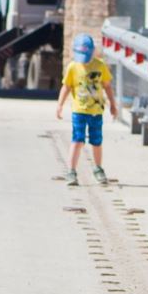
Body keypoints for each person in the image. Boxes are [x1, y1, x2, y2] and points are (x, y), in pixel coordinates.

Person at [55, 32, 116, 186]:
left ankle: (98, 168)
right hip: (79, 111)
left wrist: (113, 105)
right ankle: (71, 171)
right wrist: (60, 105)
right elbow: (66, 87)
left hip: (96, 111)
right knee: (77, 140)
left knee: (96, 141)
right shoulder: (73, 67)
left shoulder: (100, 66)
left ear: (92, 51)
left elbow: (107, 86)